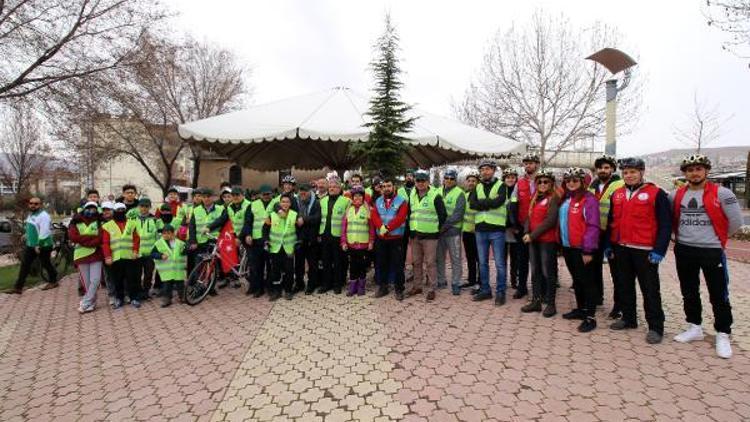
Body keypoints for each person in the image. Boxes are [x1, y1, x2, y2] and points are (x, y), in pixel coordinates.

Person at [670, 154, 743, 358]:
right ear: (685, 173)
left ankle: (723, 333)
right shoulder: (676, 195)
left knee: (718, 293)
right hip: (684, 249)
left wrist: (716, 237)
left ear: (706, 171)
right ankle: (695, 327)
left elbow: (735, 221)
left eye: (698, 169)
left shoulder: (722, 192)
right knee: (689, 291)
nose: (694, 173)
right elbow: (668, 218)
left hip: (711, 250)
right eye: (690, 170)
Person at [605, 157, 670, 344]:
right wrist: (609, 245)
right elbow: (611, 222)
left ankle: (656, 327)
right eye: (625, 172)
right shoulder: (616, 194)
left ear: (642, 172)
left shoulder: (656, 193)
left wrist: (659, 250)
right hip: (621, 248)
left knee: (650, 290)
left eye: (633, 172)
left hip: (645, 250)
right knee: (624, 285)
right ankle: (628, 318)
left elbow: (665, 225)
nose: (629, 175)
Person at [558, 168, 601, 332]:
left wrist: (588, 250)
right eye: (568, 180)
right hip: (568, 247)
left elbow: (593, 225)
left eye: (575, 180)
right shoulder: (567, 199)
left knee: (588, 282)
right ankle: (581, 309)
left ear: (583, 182)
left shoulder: (589, 200)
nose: (571, 183)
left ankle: (591, 317)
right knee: (577, 280)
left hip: (582, 248)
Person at [588, 154, 625, 318]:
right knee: (594, 268)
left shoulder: (620, 185)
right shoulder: (592, 185)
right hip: (596, 232)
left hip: (612, 233)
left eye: (606, 167)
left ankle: (619, 305)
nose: (603, 170)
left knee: (616, 271)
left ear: (612, 169)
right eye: (600, 168)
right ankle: (597, 297)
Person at [469, 160, 510, 305]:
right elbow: (472, 204)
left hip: (497, 229)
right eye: (482, 170)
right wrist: (488, 203)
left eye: (487, 169)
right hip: (480, 230)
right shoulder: (477, 186)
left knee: (499, 263)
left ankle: (500, 293)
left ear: (493, 170)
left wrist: (483, 204)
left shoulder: (501, 185)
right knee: (483, 263)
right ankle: (485, 290)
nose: (485, 172)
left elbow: (498, 202)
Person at [521, 169, 560, 317]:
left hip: (546, 241)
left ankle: (551, 304)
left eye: (546, 182)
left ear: (551, 183)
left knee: (547, 272)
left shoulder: (553, 198)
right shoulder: (535, 197)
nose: (542, 184)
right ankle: (536, 301)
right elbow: (529, 217)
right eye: (540, 182)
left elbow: (550, 221)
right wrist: (526, 232)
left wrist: (532, 235)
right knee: (535, 271)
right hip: (533, 240)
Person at [407, 169, 447, 301]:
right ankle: (417, 286)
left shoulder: (435, 195)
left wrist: (436, 229)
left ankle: (432, 289)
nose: (420, 183)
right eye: (418, 180)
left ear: (427, 182)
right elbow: (409, 214)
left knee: (430, 263)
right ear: (415, 182)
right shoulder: (412, 194)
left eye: (423, 181)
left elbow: (443, 215)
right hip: (415, 235)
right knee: (416, 262)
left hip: (430, 236)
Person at [371, 176, 409, 300]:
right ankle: (383, 287)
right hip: (381, 239)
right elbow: (374, 215)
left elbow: (401, 218)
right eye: (384, 187)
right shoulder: (378, 201)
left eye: (389, 186)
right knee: (381, 263)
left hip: (396, 238)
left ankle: (399, 288)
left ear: (394, 187)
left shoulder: (401, 201)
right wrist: (380, 226)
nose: (386, 189)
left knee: (398, 264)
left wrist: (387, 228)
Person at [11, 197, 57, 294]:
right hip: (31, 245)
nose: (33, 205)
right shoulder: (31, 214)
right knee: (25, 265)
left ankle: (53, 281)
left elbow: (44, 232)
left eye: (36, 204)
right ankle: (18, 287)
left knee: (45, 263)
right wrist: (26, 234)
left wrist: (38, 245)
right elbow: (32, 227)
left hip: (43, 245)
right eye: (31, 203)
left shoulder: (44, 216)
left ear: (40, 205)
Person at [510, 153, 539, 300]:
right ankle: (522, 288)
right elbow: (513, 203)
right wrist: (515, 224)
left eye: (531, 163)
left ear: (537, 164)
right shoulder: (519, 183)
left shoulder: (544, 181)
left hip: (539, 228)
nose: (528, 165)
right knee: (522, 260)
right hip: (522, 227)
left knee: (538, 261)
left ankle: (540, 290)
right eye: (526, 163)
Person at [102, 203, 141, 308]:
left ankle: (134, 298)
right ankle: (119, 298)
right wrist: (107, 256)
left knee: (132, 279)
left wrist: (135, 251)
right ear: (114, 212)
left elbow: (136, 238)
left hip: (130, 256)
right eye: (118, 210)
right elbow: (105, 243)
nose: (120, 212)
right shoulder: (107, 226)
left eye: (122, 210)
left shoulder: (132, 223)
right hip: (116, 257)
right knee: (117, 280)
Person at [318, 176, 351, 294]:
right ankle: (326, 284)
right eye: (330, 186)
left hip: (338, 236)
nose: (332, 188)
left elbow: (348, 220)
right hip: (324, 234)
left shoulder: (346, 201)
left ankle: (338, 284)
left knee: (338, 261)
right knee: (325, 261)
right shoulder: (322, 201)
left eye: (335, 187)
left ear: (339, 188)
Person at [68, 202, 103, 313]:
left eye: (93, 208)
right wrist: (90, 239)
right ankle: (92, 303)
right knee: (87, 283)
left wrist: (83, 239)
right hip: (81, 256)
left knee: (96, 280)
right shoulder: (75, 221)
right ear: (84, 209)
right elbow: (73, 237)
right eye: (88, 208)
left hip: (96, 254)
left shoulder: (99, 221)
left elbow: (100, 237)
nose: (91, 210)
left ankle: (85, 303)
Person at [264, 194, 298, 301]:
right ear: (279, 203)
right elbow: (265, 229)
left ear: (290, 204)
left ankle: (288, 291)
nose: (285, 204)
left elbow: (300, 230)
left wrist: (298, 242)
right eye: (283, 202)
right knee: (275, 270)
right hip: (275, 247)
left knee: (289, 270)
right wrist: (266, 241)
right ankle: (276, 291)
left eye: (287, 202)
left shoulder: (294, 215)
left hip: (289, 247)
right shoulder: (272, 215)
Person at [189, 188, 225, 290]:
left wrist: (211, 228)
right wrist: (193, 241)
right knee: (199, 266)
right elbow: (192, 227)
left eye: (208, 196)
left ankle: (211, 288)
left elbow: (222, 222)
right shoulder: (196, 210)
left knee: (213, 266)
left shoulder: (220, 209)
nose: (206, 199)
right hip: (200, 242)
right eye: (203, 197)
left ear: (213, 197)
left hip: (213, 241)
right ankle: (199, 288)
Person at [341, 187, 375, 296]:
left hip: (363, 245)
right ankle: (352, 287)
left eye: (360, 196)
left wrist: (371, 242)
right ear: (352, 198)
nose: (357, 198)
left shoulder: (367, 210)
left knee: (362, 266)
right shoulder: (348, 210)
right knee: (353, 266)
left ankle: (361, 287)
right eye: (355, 196)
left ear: (363, 198)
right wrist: (343, 242)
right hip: (351, 244)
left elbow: (371, 228)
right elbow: (344, 228)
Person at [436, 168, 465, 295]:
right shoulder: (436, 191)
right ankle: (441, 281)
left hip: (453, 231)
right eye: (446, 178)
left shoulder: (460, 193)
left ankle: (456, 283)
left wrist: (444, 226)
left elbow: (458, 215)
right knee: (439, 258)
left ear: (455, 180)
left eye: (451, 178)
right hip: (438, 231)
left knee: (456, 258)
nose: (448, 180)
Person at [125, 198, 160, 299]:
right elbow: (128, 234)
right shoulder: (133, 219)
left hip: (150, 253)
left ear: (149, 207)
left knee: (148, 274)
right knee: (137, 273)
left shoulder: (155, 220)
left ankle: (146, 291)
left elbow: (157, 237)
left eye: (146, 206)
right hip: (137, 252)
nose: (144, 208)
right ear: (138, 207)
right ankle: (138, 291)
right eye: (142, 206)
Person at [294, 183, 321, 294]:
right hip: (299, 237)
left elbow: (317, 218)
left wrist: (304, 219)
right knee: (299, 263)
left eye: (305, 192)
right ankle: (299, 284)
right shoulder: (296, 202)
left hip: (311, 238)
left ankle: (311, 284)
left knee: (312, 263)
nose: (303, 194)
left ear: (310, 191)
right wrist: (297, 219)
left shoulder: (316, 202)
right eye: (301, 192)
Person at [247, 185, 274, 297]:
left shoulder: (276, 204)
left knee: (270, 266)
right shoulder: (253, 205)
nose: (266, 196)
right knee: (257, 266)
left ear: (271, 194)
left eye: (268, 194)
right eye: (264, 194)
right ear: (260, 195)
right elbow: (248, 221)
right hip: (256, 239)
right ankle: (259, 288)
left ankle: (270, 287)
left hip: (271, 239)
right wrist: (248, 234)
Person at [151, 225, 187, 307]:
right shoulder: (159, 243)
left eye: (168, 233)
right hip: (167, 271)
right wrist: (160, 255)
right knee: (167, 286)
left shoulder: (179, 243)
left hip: (178, 269)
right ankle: (167, 299)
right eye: (164, 233)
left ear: (173, 233)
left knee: (180, 284)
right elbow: (152, 254)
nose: (166, 235)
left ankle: (182, 297)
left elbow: (185, 250)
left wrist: (185, 249)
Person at [502, 168, 523, 299]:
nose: (510, 179)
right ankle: (502, 280)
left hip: (515, 229)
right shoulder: (500, 191)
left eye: (512, 177)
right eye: (507, 177)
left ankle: (514, 280)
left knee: (516, 257)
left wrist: (516, 226)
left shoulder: (518, 191)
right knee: (502, 257)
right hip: (503, 229)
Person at [460, 170, 480, 291]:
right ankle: (471, 279)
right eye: (469, 181)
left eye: (474, 181)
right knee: (470, 257)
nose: (471, 183)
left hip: (478, 232)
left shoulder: (480, 195)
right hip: (467, 232)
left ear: (477, 182)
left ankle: (480, 281)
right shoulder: (466, 196)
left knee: (479, 258)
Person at [100, 202, 116, 305]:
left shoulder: (117, 221)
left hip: (117, 252)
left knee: (120, 275)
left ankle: (122, 293)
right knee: (109, 275)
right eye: (104, 210)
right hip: (104, 253)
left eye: (108, 209)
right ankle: (112, 295)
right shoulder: (98, 222)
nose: (106, 212)